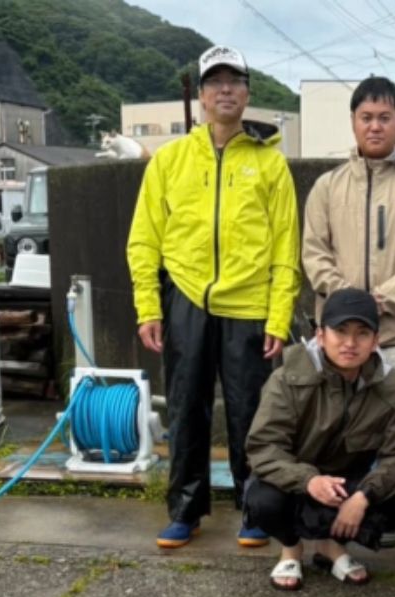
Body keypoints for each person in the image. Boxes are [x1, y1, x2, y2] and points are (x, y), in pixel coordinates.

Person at [127, 44, 301, 550]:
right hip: (184, 299)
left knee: (251, 412)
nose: (225, 89)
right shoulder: (171, 159)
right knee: (186, 408)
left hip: (249, 306)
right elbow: (144, 238)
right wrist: (148, 306)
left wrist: (279, 315)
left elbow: (286, 247)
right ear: (202, 95)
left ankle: (254, 506)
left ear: (247, 94)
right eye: (215, 82)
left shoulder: (270, 164)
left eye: (235, 81)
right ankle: (185, 509)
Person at [243, 288, 395, 591]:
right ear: (320, 335)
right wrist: (309, 481)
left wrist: (363, 496)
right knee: (261, 499)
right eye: (340, 331)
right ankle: (291, 547)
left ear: (376, 341)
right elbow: (264, 447)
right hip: (295, 482)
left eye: (362, 333)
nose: (350, 343)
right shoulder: (287, 378)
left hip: (350, 485)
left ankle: (332, 546)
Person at [300, 75, 395, 384]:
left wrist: (379, 301)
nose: (375, 126)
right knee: (332, 427)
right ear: (353, 122)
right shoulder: (327, 186)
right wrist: (349, 305)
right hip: (338, 339)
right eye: (366, 118)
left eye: (384, 118)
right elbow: (314, 254)